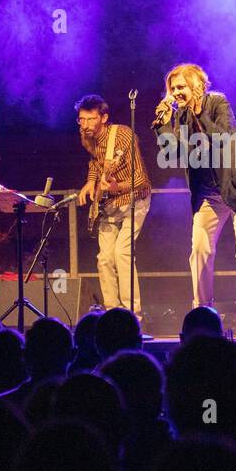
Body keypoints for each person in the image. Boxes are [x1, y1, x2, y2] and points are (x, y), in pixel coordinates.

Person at [153, 63, 236, 338]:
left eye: (181, 86)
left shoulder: (217, 102)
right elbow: (172, 155)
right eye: (173, 88)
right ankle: (203, 317)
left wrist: (197, 112)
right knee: (200, 250)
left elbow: (224, 138)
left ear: (196, 85)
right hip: (208, 193)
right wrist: (162, 125)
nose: (176, 92)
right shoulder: (179, 116)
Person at [75, 94, 152, 318]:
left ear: (104, 118)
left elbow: (141, 180)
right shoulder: (86, 136)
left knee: (122, 253)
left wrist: (114, 187)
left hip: (134, 199)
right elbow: (95, 162)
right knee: (104, 258)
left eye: (91, 119)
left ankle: (132, 315)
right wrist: (91, 181)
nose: (85, 125)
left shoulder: (123, 136)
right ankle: (112, 313)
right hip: (109, 204)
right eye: (81, 119)